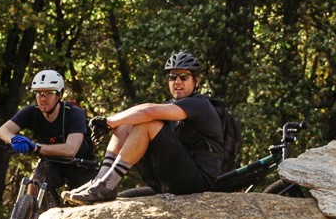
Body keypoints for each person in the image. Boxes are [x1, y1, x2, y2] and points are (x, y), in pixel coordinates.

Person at [65, 51, 227, 204]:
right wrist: (115, 123)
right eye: (172, 77)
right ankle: (100, 181)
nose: (177, 82)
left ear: (196, 81)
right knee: (128, 123)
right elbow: (142, 114)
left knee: (148, 122)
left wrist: (108, 121)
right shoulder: (172, 107)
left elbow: (149, 111)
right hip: (169, 180)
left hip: (198, 182)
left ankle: (107, 185)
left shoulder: (199, 104)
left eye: (184, 77)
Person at [0, 68, 96, 195]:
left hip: (80, 165)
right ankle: (31, 214)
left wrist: (36, 148)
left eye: (49, 93)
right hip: (52, 164)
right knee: (34, 183)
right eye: (39, 93)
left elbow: (71, 150)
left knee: (91, 199)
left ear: (59, 95)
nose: (43, 98)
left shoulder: (74, 113)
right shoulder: (31, 112)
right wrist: (13, 139)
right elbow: (2, 131)